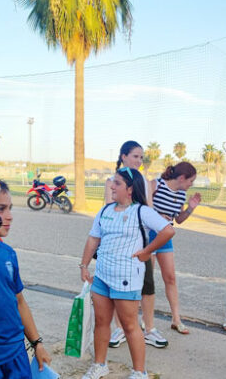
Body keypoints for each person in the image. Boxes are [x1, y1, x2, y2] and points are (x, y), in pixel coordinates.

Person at [80, 167, 175, 379]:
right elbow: (93, 239)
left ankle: (139, 371)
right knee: (102, 322)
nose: (112, 186)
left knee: (130, 326)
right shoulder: (105, 211)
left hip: (126, 278)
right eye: (113, 182)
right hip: (102, 276)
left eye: (117, 183)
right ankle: (99, 364)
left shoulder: (142, 211)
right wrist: (84, 265)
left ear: (130, 189)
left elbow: (168, 230)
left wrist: (147, 251)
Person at [0, 175, 52, 378]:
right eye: (1, 209)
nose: (10, 216)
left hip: (17, 355)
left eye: (10, 208)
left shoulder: (7, 253)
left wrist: (37, 343)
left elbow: (19, 301)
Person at [104, 141, 165, 349]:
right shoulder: (111, 182)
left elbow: (148, 210)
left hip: (141, 244)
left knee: (147, 285)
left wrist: (149, 249)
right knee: (114, 288)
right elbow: (107, 211)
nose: (139, 160)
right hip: (117, 247)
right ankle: (119, 328)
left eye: (141, 157)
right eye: (135, 156)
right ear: (123, 157)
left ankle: (149, 329)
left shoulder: (145, 182)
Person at [145, 162, 202, 335]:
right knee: (148, 280)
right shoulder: (156, 184)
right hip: (149, 234)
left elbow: (179, 219)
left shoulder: (182, 194)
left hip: (166, 235)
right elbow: (143, 208)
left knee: (170, 277)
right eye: (191, 181)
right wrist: (157, 216)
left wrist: (191, 208)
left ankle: (176, 319)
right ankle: (146, 320)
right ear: (182, 178)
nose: (191, 185)